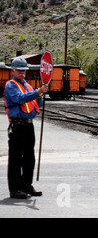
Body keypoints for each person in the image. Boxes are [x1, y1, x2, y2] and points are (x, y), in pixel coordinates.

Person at [4, 57, 49, 199]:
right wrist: (37, 92)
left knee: (29, 157)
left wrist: (40, 96)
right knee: (16, 158)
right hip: (17, 125)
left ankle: (26, 185)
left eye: (24, 70)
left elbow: (36, 105)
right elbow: (19, 99)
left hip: (28, 125)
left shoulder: (28, 86)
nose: (22, 72)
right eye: (19, 70)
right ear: (13, 71)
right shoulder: (10, 85)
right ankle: (15, 188)